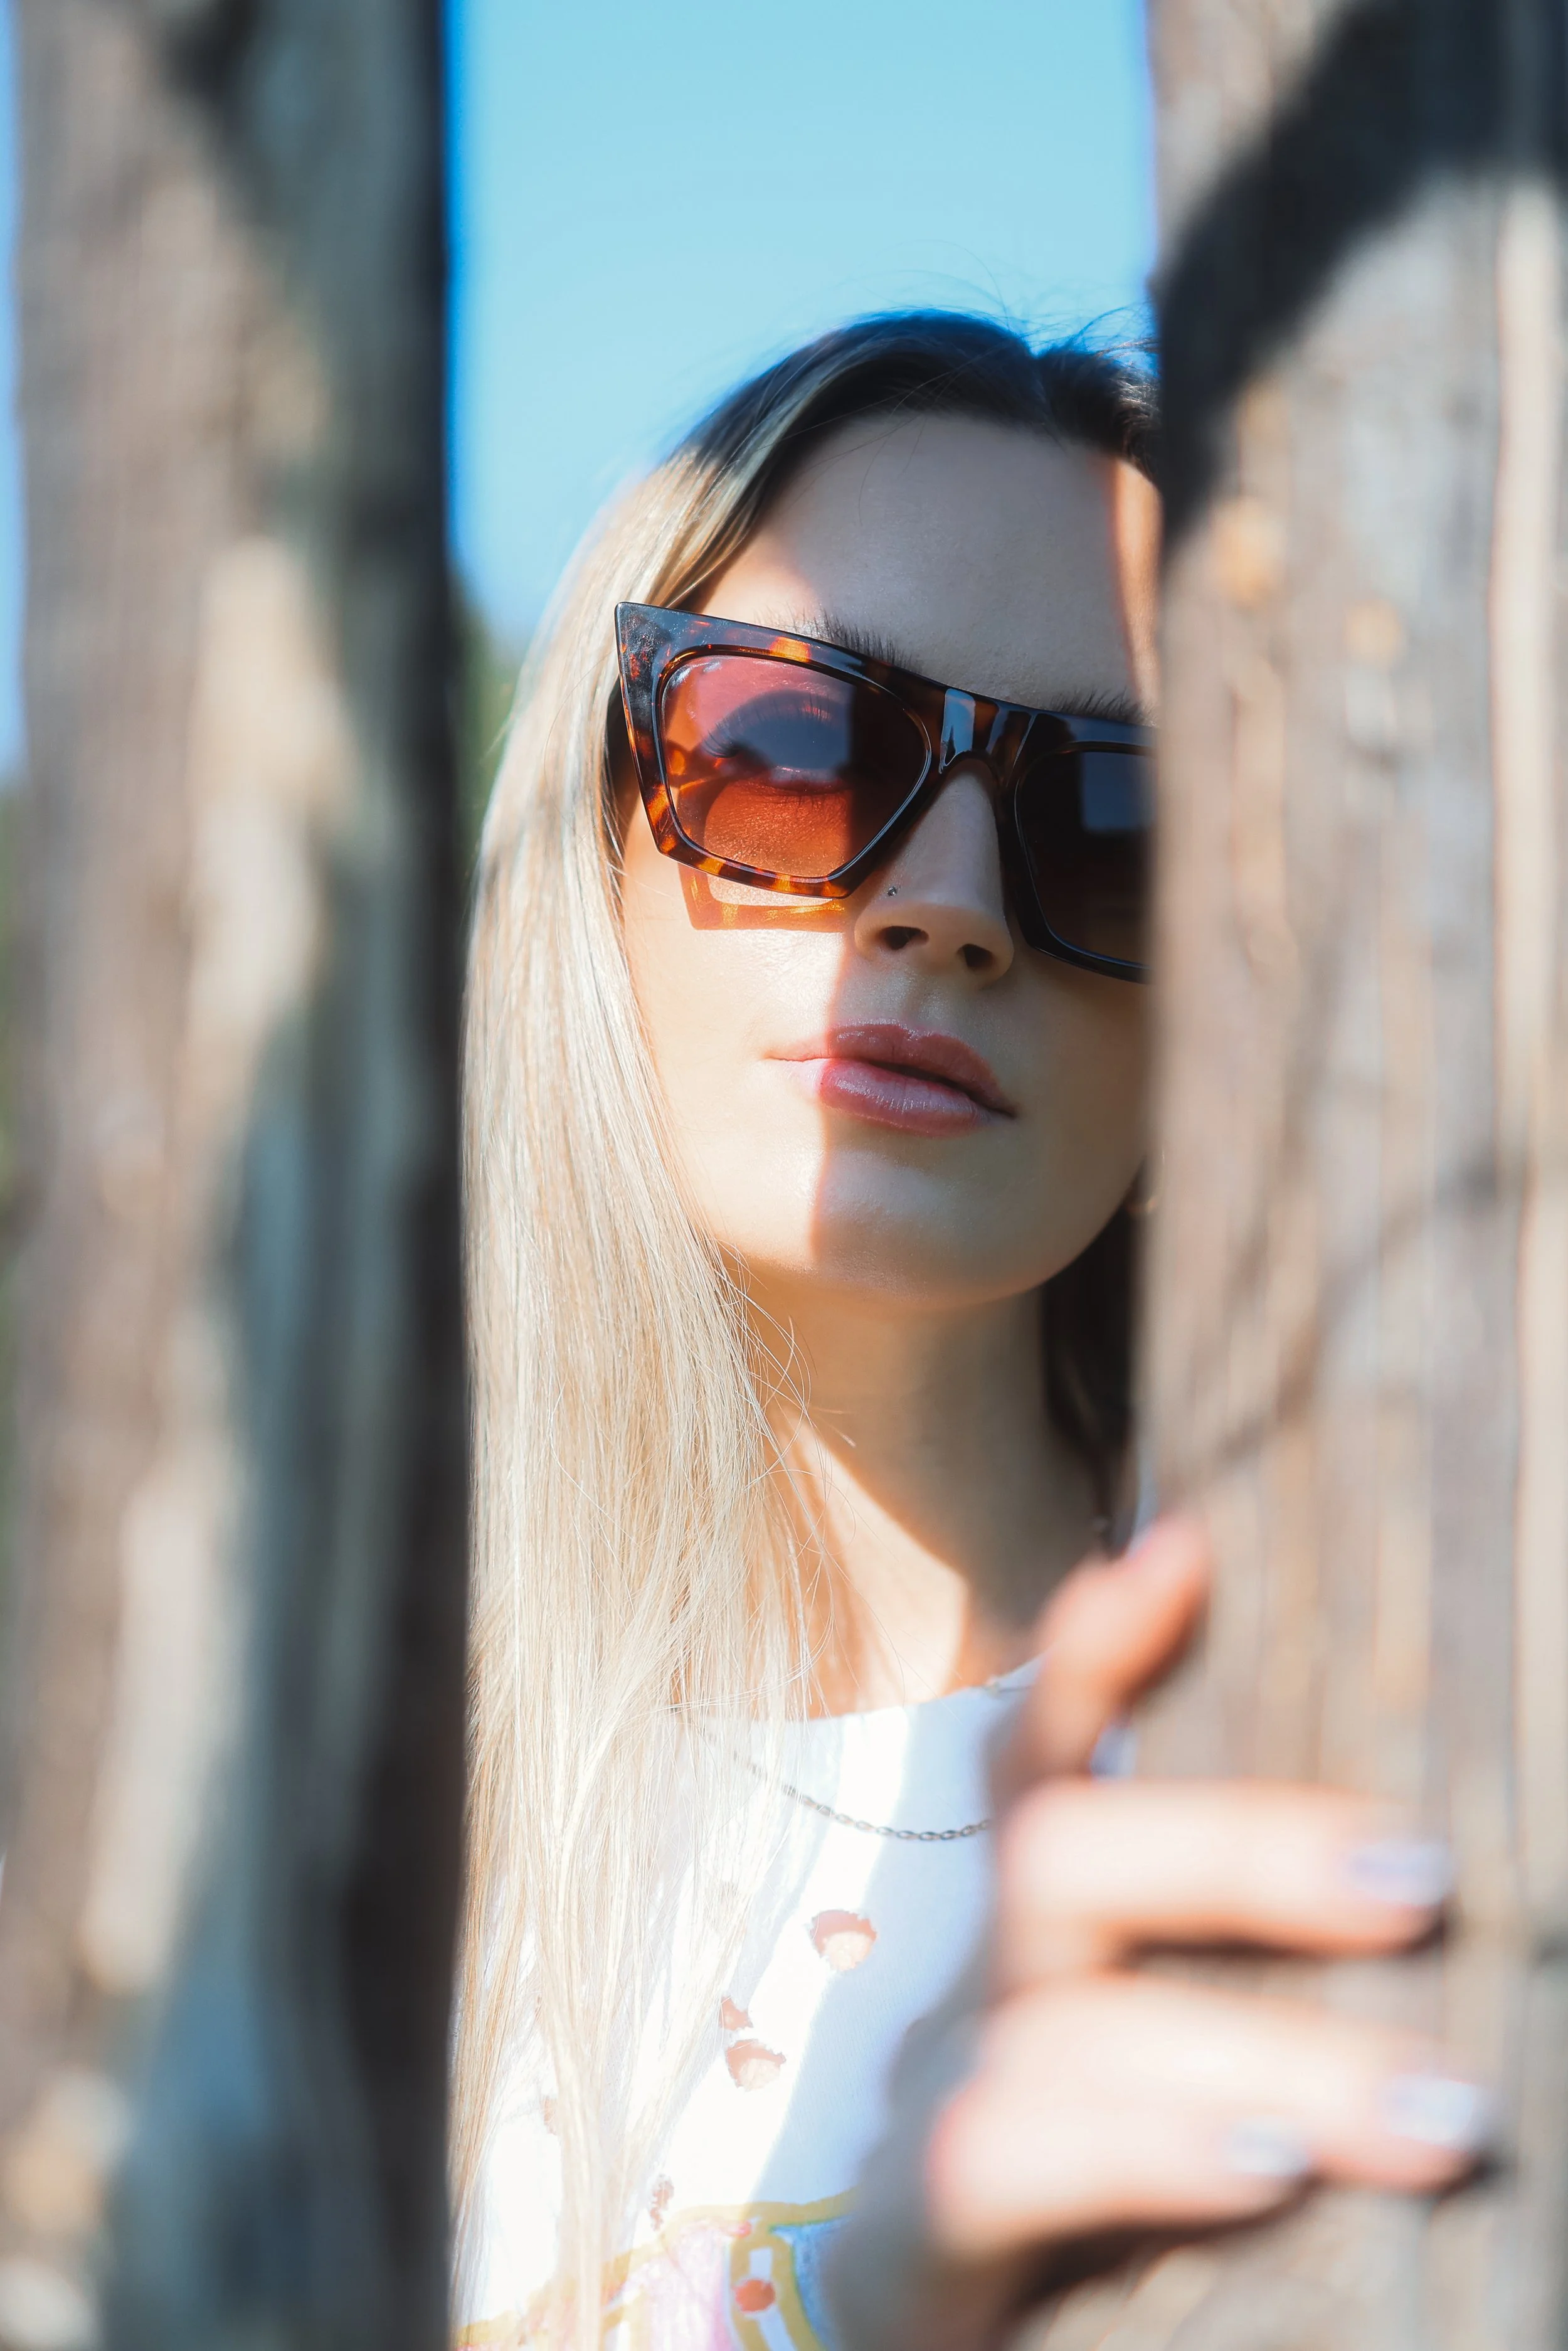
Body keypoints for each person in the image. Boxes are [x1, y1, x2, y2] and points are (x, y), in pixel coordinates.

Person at [453, 315, 1489, 2351]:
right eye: (790, 746)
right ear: (585, 850)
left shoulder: (1405, 1751)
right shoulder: (239, 1778)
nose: (946, 905)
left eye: (1121, 818)